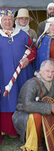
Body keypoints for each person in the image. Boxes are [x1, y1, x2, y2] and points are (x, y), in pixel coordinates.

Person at [12, 60, 54, 151]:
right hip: (25, 114)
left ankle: (48, 139)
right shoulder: (31, 84)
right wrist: (49, 107)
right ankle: (38, 144)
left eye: (52, 72)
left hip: (44, 111)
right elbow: (27, 105)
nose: (50, 74)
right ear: (41, 71)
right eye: (47, 71)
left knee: (49, 114)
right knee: (36, 116)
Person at [0, 8, 36, 140]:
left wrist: (28, 59)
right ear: (1, 21)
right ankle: (8, 129)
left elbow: (33, 50)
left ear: (13, 21)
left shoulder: (22, 35)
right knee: (7, 100)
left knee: (22, 99)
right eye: (5, 20)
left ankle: (22, 129)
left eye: (9, 19)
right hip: (3, 76)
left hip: (22, 75)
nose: (7, 22)